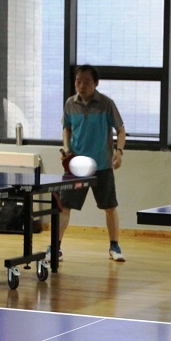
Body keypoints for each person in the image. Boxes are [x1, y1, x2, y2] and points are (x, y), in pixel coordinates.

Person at [55, 64, 127, 262]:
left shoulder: (106, 104)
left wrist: (119, 152)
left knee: (110, 207)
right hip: (76, 166)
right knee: (64, 207)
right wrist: (67, 149)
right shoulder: (70, 104)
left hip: (102, 165)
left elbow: (121, 130)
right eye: (78, 81)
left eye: (86, 81)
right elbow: (67, 128)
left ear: (96, 83)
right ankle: (56, 247)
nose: (81, 85)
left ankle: (114, 246)